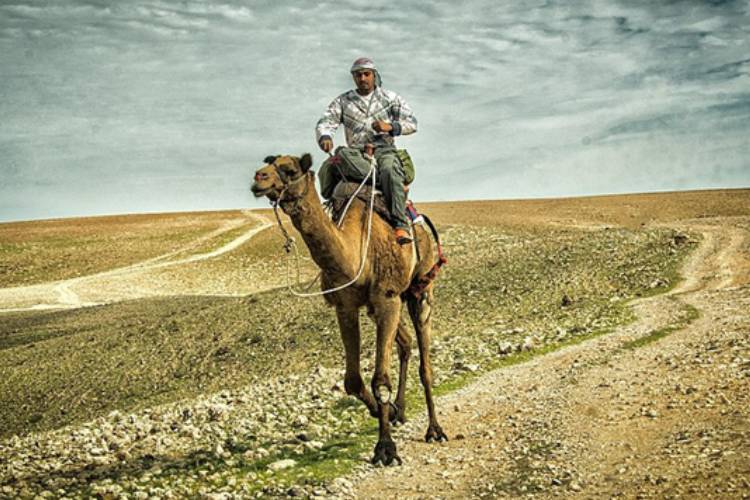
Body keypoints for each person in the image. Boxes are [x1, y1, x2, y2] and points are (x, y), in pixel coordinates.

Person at [316, 57, 417, 244]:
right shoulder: (343, 101)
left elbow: (412, 123)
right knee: (336, 160)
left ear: (374, 75)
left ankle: (401, 224)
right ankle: (332, 220)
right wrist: (325, 136)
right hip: (356, 153)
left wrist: (390, 127)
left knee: (388, 168)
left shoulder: (390, 98)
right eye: (358, 75)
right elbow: (325, 122)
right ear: (353, 78)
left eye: (366, 74)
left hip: (384, 150)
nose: (362, 78)